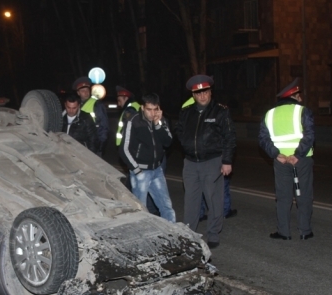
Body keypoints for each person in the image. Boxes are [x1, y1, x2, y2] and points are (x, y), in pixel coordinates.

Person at [175, 75, 236, 249]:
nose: (202, 96)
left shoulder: (220, 111)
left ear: (210, 92)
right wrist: (186, 144)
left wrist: (227, 160)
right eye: (198, 93)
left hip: (212, 161)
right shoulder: (187, 112)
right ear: (193, 95)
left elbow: (230, 137)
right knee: (191, 200)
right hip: (190, 162)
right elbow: (179, 130)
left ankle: (213, 233)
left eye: (205, 92)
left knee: (213, 199)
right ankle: (189, 233)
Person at [259, 78, 315, 240]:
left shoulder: (269, 114)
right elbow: (310, 135)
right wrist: (297, 155)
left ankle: (284, 232)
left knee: (283, 197)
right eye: (299, 95)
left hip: (281, 161)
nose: (301, 98)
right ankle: (305, 231)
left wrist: (276, 154)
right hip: (301, 160)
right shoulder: (303, 111)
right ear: (294, 96)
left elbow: (263, 139)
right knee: (303, 195)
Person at [119, 93, 176, 223]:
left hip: (157, 170)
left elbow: (168, 142)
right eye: (149, 109)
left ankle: (173, 232)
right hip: (141, 171)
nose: (152, 113)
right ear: (142, 108)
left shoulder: (160, 120)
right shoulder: (133, 121)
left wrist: (158, 124)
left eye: (155, 109)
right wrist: (136, 170)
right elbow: (124, 149)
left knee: (167, 207)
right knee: (141, 211)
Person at [72, 76, 109, 156]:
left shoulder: (97, 104)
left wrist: (100, 147)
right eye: (83, 91)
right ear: (78, 93)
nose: (86, 92)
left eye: (87, 90)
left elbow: (104, 127)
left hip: (94, 146)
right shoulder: (76, 105)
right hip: (80, 146)